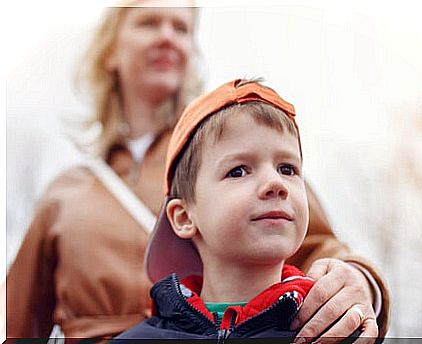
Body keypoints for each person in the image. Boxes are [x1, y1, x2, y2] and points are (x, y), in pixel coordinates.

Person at [6, 1, 389, 341]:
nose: (167, 37)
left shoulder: (230, 152)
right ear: (110, 51)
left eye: (181, 27)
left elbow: (324, 249)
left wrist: (361, 283)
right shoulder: (66, 192)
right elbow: (14, 324)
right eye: (149, 23)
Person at [114, 78, 377, 342]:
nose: (276, 183)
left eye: (287, 169)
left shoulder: (332, 331)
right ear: (183, 217)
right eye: (238, 171)